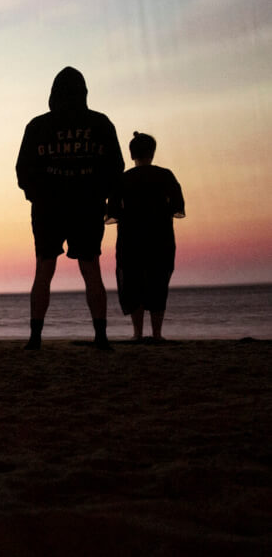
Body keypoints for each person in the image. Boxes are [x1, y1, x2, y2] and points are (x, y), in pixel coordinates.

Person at [15, 66, 124, 350]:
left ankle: (35, 338)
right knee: (91, 269)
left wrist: (36, 196)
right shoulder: (100, 123)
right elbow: (116, 168)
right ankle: (101, 336)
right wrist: (101, 196)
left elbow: (23, 170)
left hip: (48, 209)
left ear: (53, 94)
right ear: (84, 92)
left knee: (44, 269)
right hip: (86, 207)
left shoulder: (37, 126)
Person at [112, 131, 185, 342]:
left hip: (130, 238)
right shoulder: (165, 175)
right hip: (160, 237)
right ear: (152, 152)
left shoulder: (123, 179)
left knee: (132, 283)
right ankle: (157, 334)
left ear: (131, 154)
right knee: (158, 282)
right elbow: (177, 206)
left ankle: (137, 333)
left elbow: (113, 210)